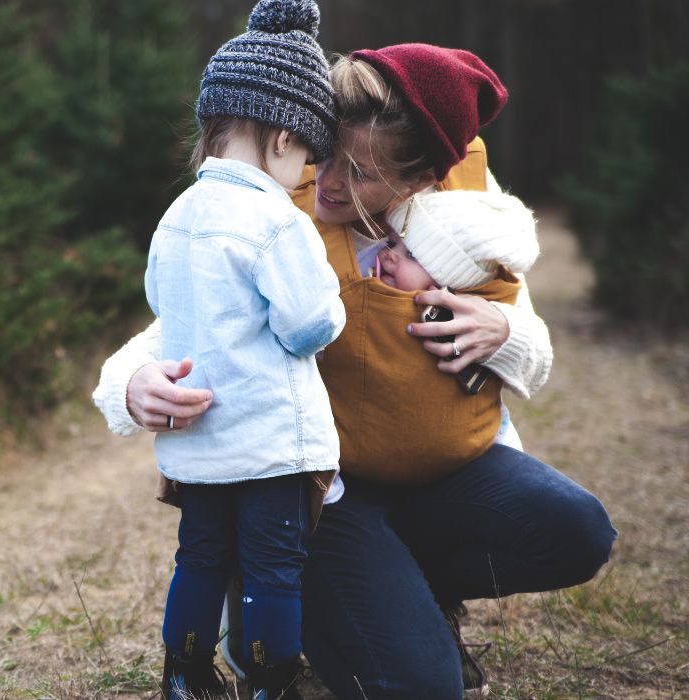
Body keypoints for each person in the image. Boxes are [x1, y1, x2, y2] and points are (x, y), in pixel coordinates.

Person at [93, 42, 617, 699]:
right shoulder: (274, 207)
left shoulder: (462, 219)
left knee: (578, 530)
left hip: (441, 474)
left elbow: (535, 351)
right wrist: (130, 383)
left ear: (422, 176)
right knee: (420, 688)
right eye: (326, 155)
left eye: (362, 173)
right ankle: (277, 586)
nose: (332, 183)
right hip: (321, 490)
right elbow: (180, 321)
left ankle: (408, 593)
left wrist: (504, 331)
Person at [145, 2, 344, 698]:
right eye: (309, 160)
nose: (307, 177)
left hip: (199, 441)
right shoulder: (273, 218)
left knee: (199, 557)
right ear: (286, 138)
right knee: (271, 568)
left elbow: (159, 302)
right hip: (268, 439)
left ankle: (185, 674)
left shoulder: (177, 216)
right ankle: (273, 679)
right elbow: (307, 325)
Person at [321, 189, 540, 484]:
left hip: (469, 456)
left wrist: (507, 331)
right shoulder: (355, 271)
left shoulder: (468, 310)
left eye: (410, 255)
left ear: (447, 283)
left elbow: (533, 368)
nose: (388, 255)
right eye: (392, 243)